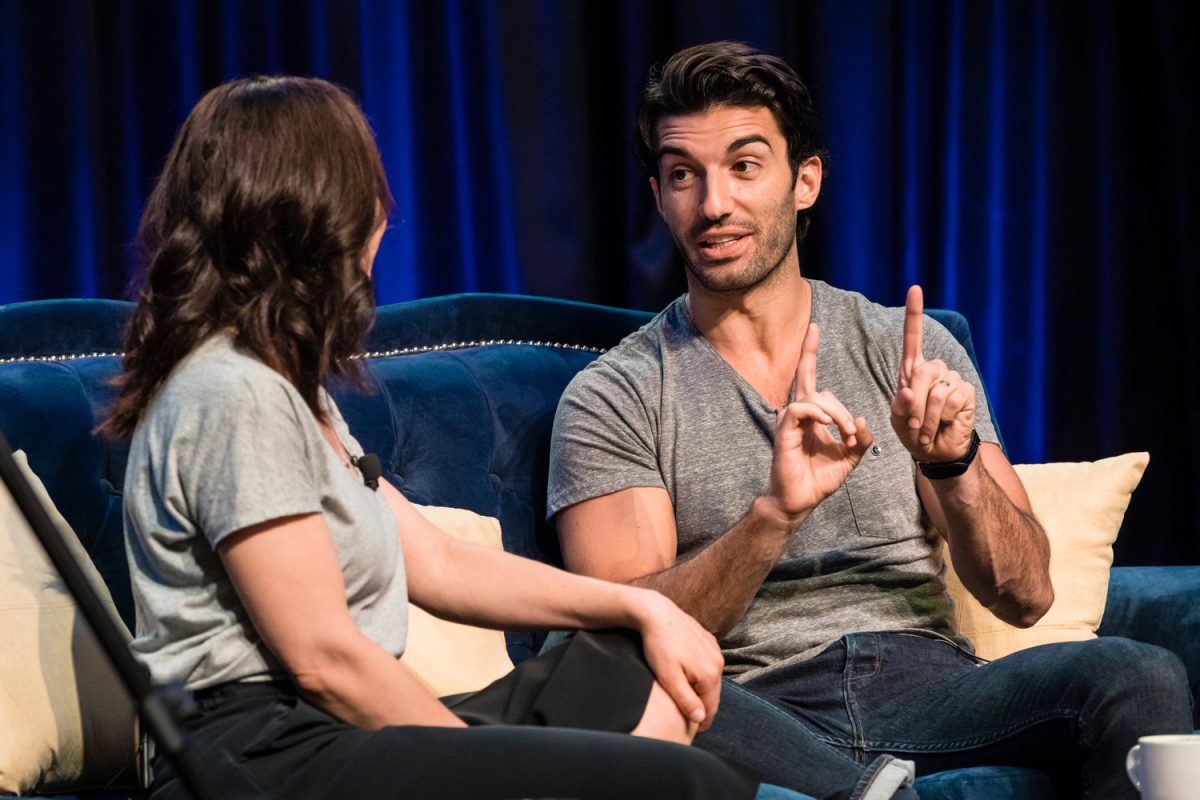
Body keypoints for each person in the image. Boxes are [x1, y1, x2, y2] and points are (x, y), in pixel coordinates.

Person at [103, 74, 777, 800]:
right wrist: (489, 775)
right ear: (317, 213)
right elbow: (322, 659)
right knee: (688, 781)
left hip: (327, 731)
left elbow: (441, 564)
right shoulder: (232, 393)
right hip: (258, 754)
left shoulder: (289, 393)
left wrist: (643, 607)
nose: (382, 222)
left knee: (619, 665)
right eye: (368, 193)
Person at [548, 41, 1193, 800]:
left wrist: (950, 467)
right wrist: (773, 518)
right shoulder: (614, 394)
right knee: (611, 686)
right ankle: (867, 790)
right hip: (749, 702)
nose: (713, 203)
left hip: (929, 685)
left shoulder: (901, 346)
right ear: (659, 197)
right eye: (683, 175)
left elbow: (1026, 596)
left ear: (806, 181)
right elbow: (617, 641)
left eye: (745, 166)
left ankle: (866, 789)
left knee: (1138, 671)